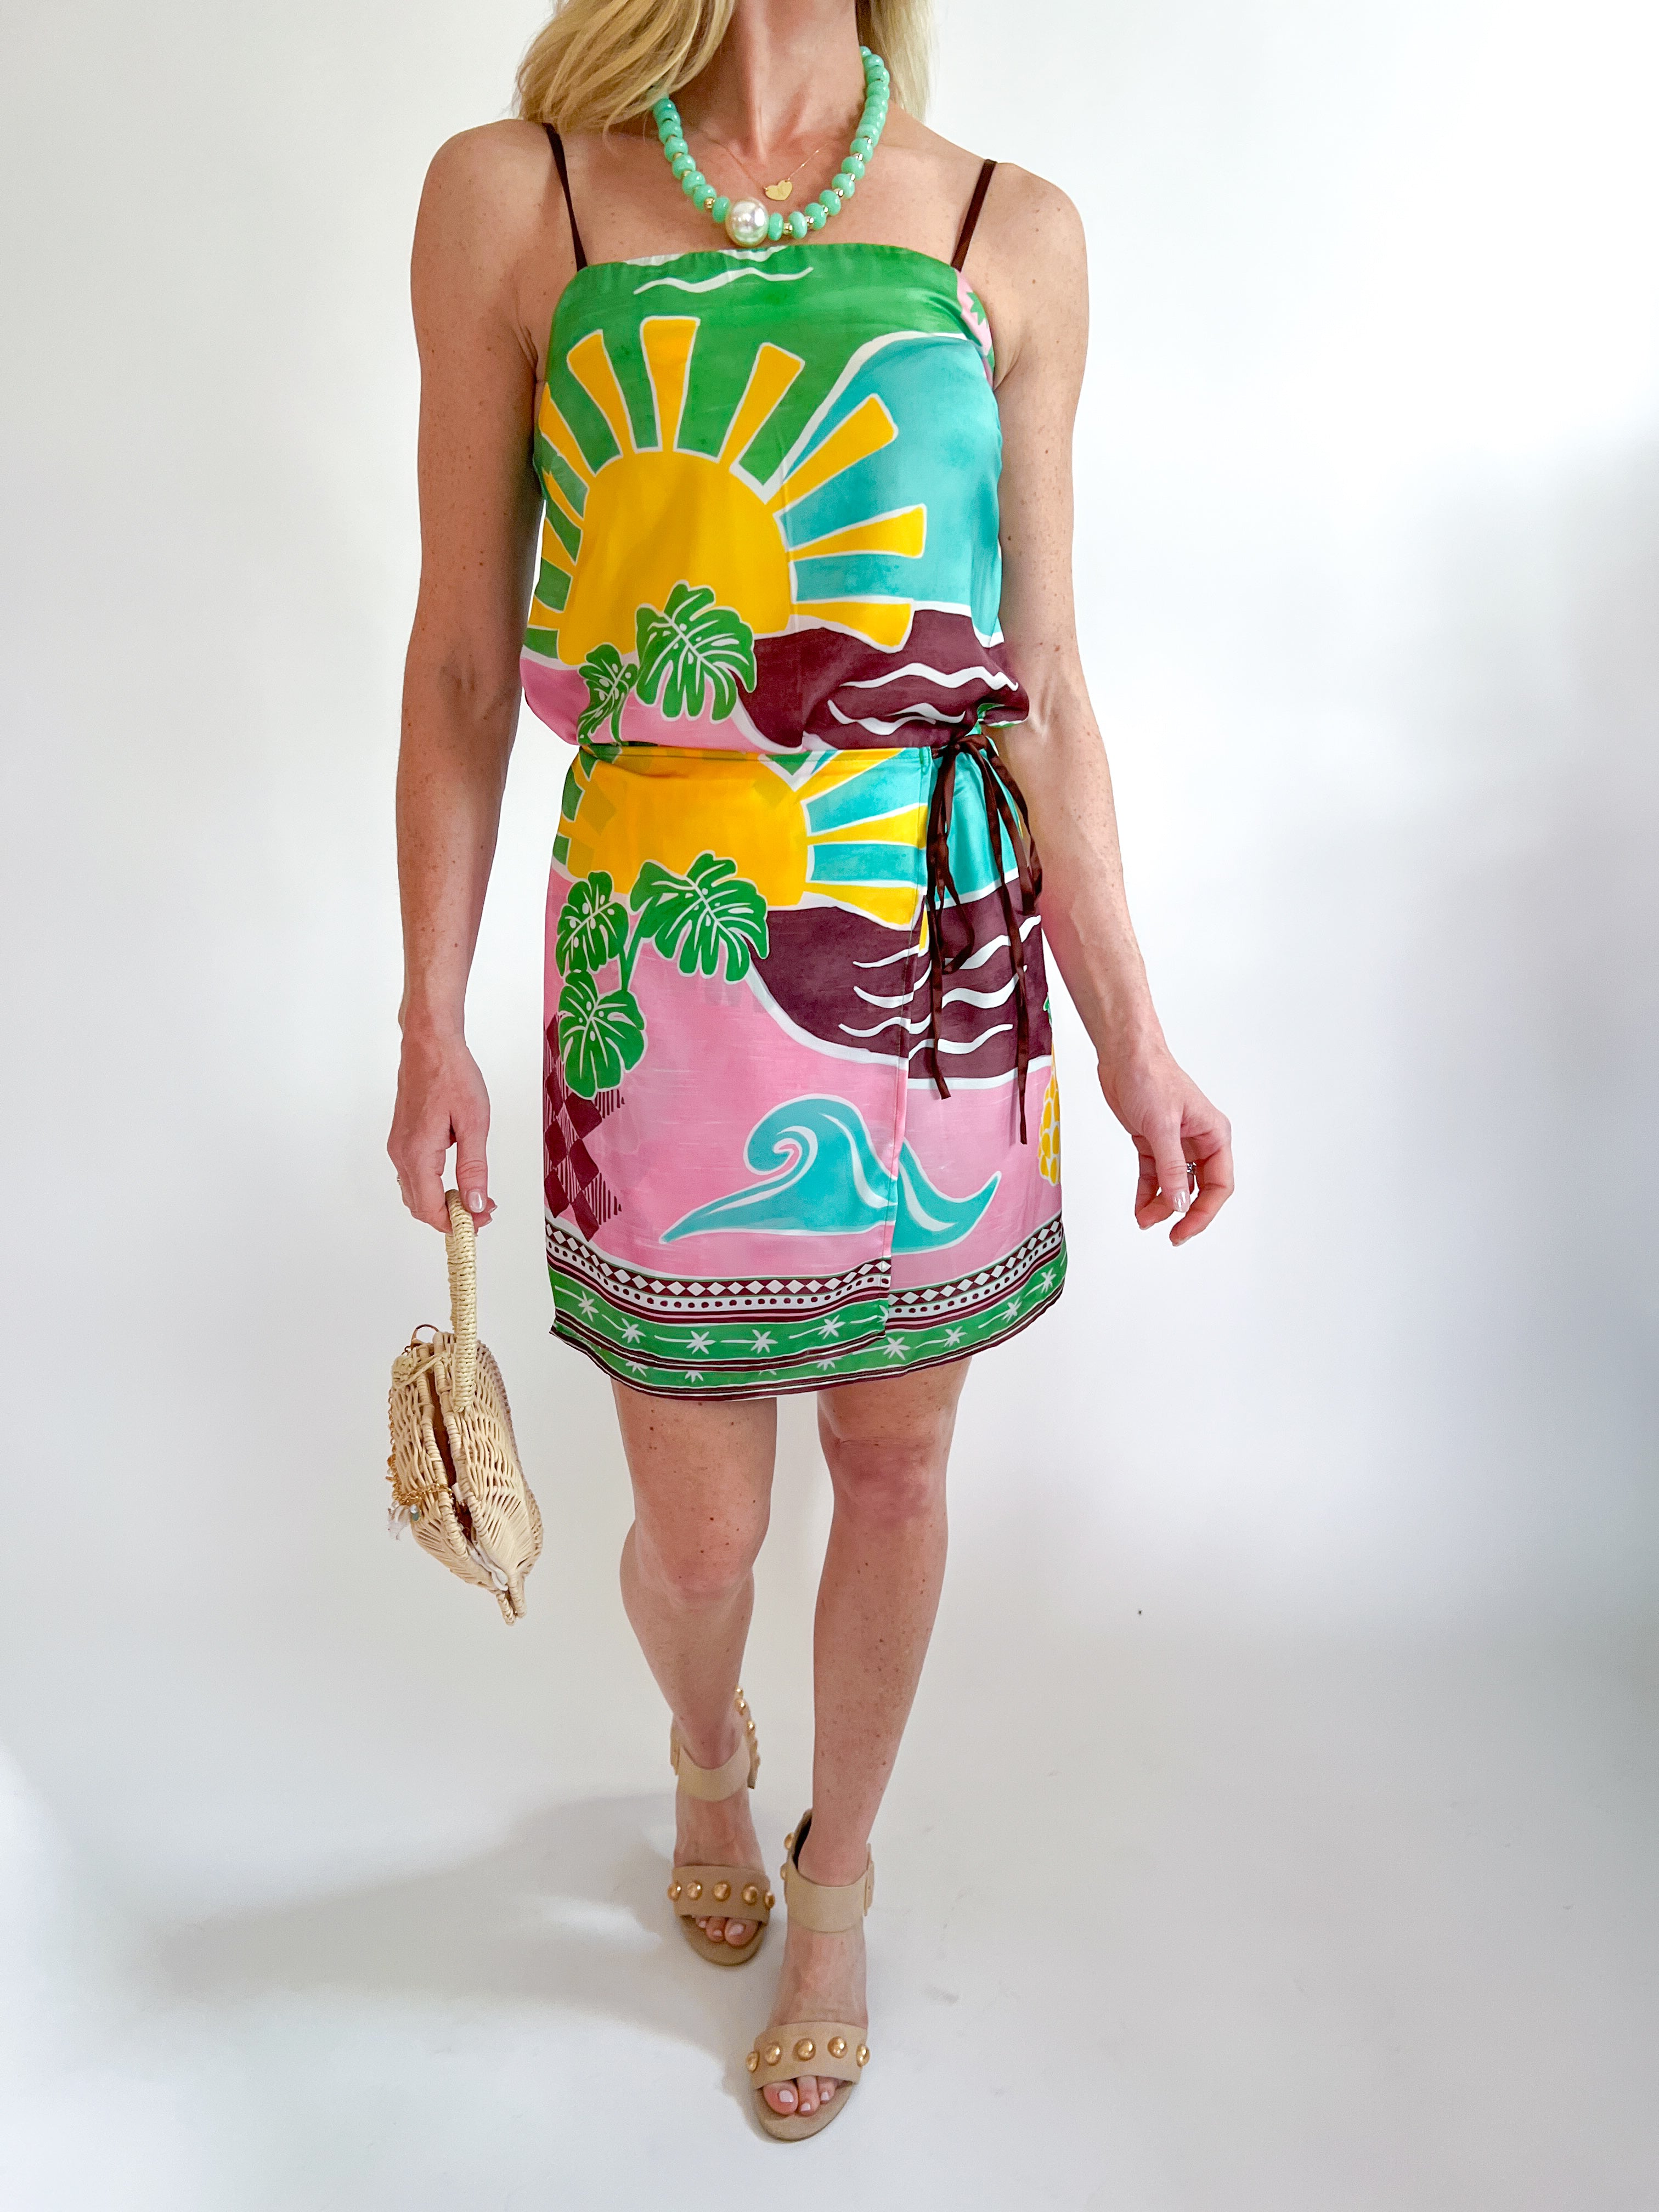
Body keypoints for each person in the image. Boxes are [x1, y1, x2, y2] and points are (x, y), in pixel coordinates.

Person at [388, 0, 1233, 2141]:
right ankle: (707, 1755)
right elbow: (469, 659)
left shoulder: (1007, 230)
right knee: (698, 1544)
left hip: (929, 959)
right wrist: (427, 1013)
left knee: (900, 1473)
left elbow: (1044, 681)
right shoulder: (520, 197)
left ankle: (837, 1879)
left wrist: (1137, 1036)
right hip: (662, 962)